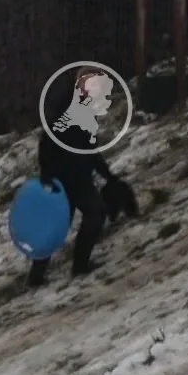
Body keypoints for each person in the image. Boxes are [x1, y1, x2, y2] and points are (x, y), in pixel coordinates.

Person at [30, 69, 135, 286]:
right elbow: (47, 144)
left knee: (93, 214)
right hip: (63, 178)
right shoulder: (66, 111)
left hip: (78, 177)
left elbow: (90, 150)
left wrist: (108, 176)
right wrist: (47, 175)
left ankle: (76, 266)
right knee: (61, 225)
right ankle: (40, 275)